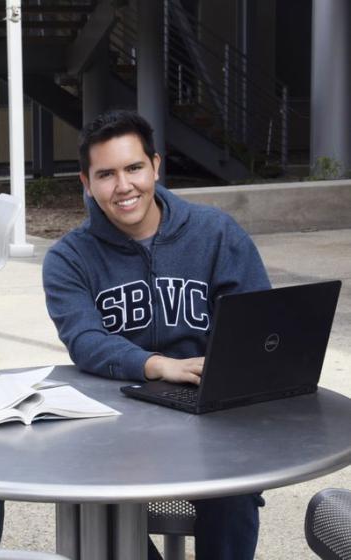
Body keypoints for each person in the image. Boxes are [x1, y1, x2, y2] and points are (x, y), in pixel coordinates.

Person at [43, 109, 270, 560]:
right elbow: (85, 339)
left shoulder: (216, 233)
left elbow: (257, 322)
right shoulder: (68, 259)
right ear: (87, 184)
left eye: (133, 168)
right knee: (96, 503)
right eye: (106, 174)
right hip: (112, 420)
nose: (123, 186)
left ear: (155, 166)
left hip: (206, 413)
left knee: (233, 492)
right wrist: (156, 364)